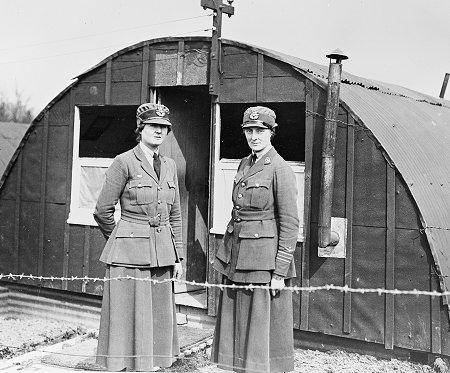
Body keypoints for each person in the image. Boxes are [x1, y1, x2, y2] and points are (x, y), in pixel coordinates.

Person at [93, 103, 184, 372]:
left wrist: (178, 256)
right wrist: (122, 240)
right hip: (129, 256)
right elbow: (102, 211)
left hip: (162, 254)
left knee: (156, 316)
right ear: (140, 129)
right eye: (153, 125)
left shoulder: (169, 165)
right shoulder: (124, 162)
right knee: (128, 317)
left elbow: (175, 215)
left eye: (164, 127)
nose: (159, 131)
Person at [212, 106, 300, 373]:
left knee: (259, 324)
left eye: (260, 131)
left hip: (262, 259)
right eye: (249, 131)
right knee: (236, 319)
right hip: (237, 253)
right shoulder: (244, 163)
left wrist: (279, 271)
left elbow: (290, 223)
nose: (254, 136)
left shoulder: (280, 168)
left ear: (271, 133)